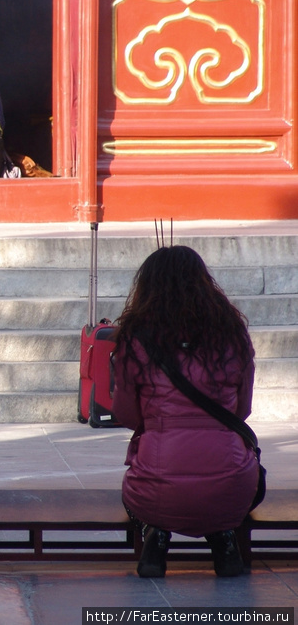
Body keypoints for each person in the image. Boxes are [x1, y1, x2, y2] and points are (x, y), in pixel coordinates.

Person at [111, 245, 259, 578]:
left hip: (156, 487)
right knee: (229, 485)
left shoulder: (134, 338)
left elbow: (127, 415)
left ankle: (157, 535)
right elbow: (243, 409)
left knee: (140, 490)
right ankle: (223, 539)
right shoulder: (233, 334)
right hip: (231, 486)